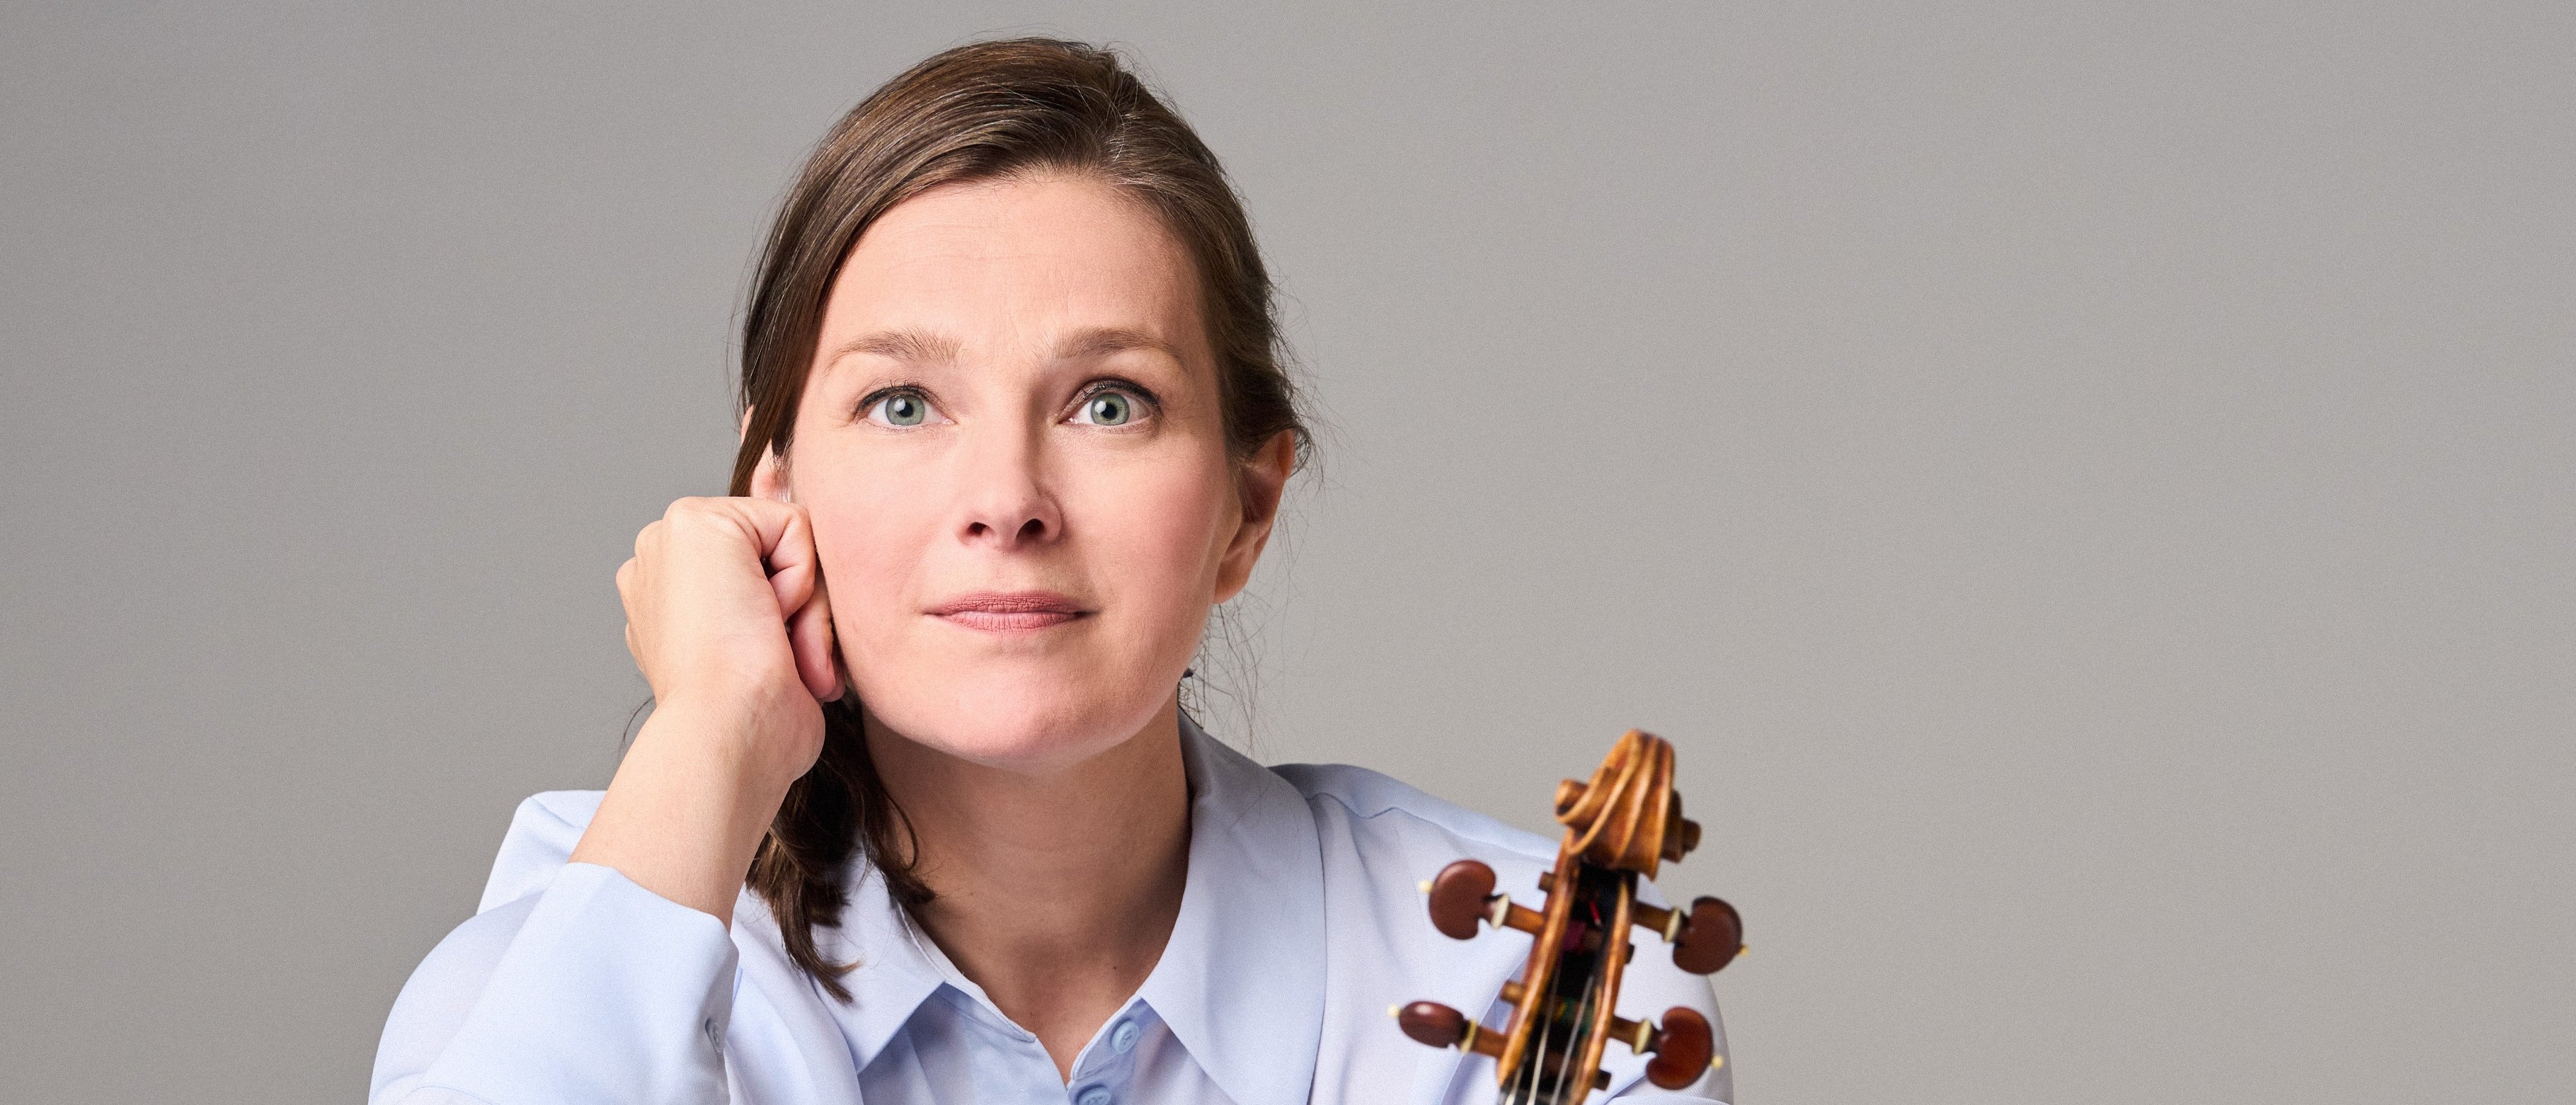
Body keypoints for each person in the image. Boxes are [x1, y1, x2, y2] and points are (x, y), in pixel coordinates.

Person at [370, 38, 1729, 1105]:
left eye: (1108, 403)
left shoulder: (1522, 974)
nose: (1008, 501)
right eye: (903, 403)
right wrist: (712, 734)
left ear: (1247, 510)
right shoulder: (609, 923)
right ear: (772, 492)